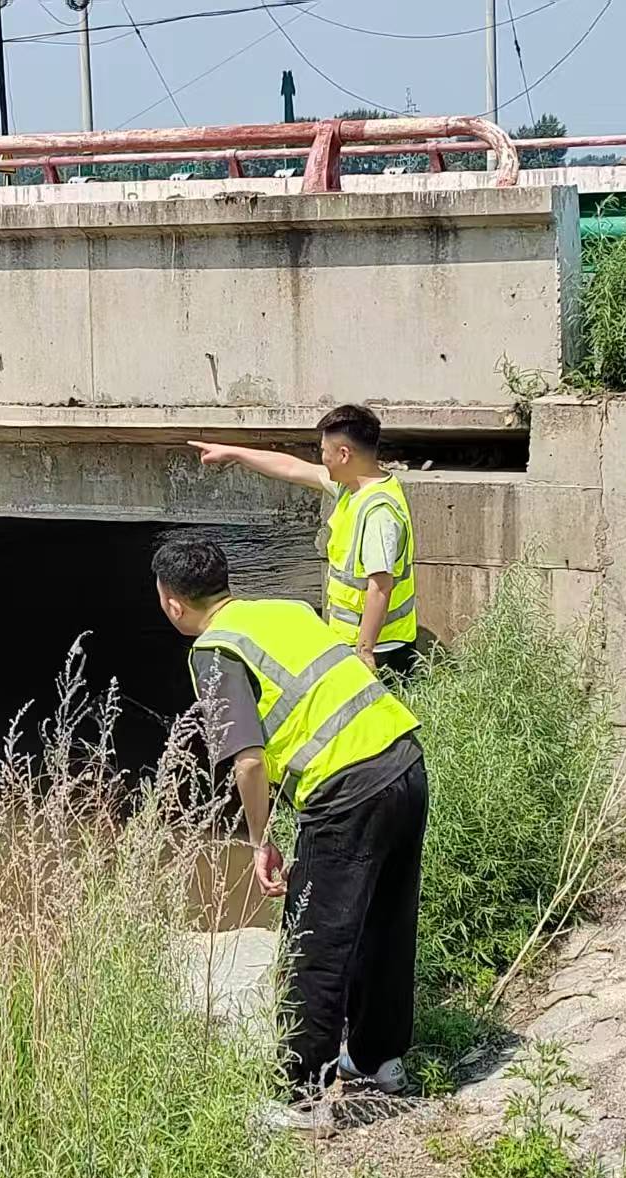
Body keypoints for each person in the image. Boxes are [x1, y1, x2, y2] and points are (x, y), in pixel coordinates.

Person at [152, 534, 429, 1123]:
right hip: (404, 758)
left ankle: (300, 1095)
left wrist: (259, 839)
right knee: (386, 920)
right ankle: (380, 1060)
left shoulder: (215, 650)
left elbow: (247, 760)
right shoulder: (283, 609)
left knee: (313, 943)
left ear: (172, 602)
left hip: (345, 789)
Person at [190, 403, 421, 679]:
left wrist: (364, 651)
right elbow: (291, 468)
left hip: (382, 653)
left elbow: (380, 587)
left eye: (324, 451)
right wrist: (234, 453)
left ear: (344, 454)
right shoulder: (354, 487)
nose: (321, 458)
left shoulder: (378, 513)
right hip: (358, 643)